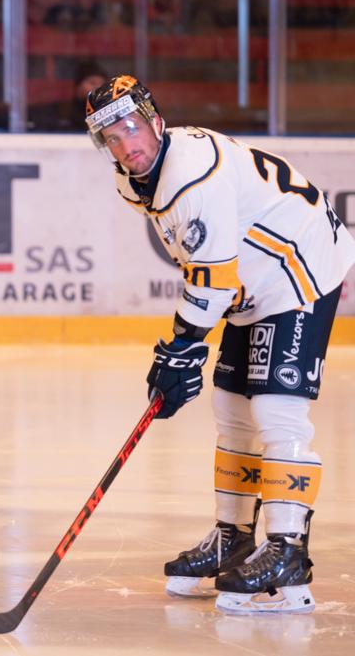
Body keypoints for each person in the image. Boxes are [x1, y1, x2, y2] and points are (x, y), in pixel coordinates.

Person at [85, 75, 355, 614]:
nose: (126, 145)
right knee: (231, 406)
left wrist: (182, 346)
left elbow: (211, 276)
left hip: (298, 271)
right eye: (112, 138)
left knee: (277, 410)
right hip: (254, 283)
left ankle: (288, 550)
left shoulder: (190, 175)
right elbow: (208, 265)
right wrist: (182, 348)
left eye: (132, 128)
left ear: (155, 120)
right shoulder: (134, 180)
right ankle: (234, 537)